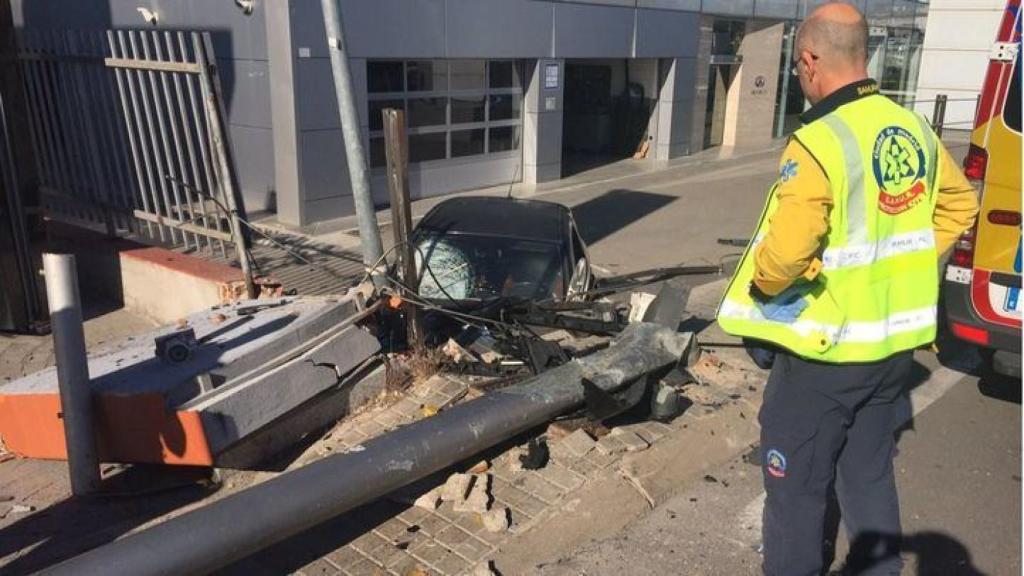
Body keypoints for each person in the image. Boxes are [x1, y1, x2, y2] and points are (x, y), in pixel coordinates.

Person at [715, 4, 979, 575]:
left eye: (797, 68)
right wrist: (907, 262)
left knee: (794, 493)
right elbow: (961, 205)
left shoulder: (819, 141)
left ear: (810, 60)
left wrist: (766, 281)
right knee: (868, 478)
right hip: (892, 352)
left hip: (825, 358)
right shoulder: (913, 127)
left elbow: (785, 257)